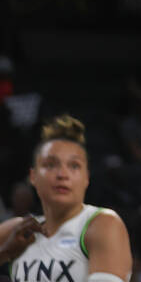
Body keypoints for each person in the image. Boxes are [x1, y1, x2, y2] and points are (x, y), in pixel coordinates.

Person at [0, 115, 132, 282]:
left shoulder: (101, 224)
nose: (62, 175)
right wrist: (5, 252)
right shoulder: (16, 230)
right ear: (33, 176)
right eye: (50, 164)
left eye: (74, 166)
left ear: (86, 178)